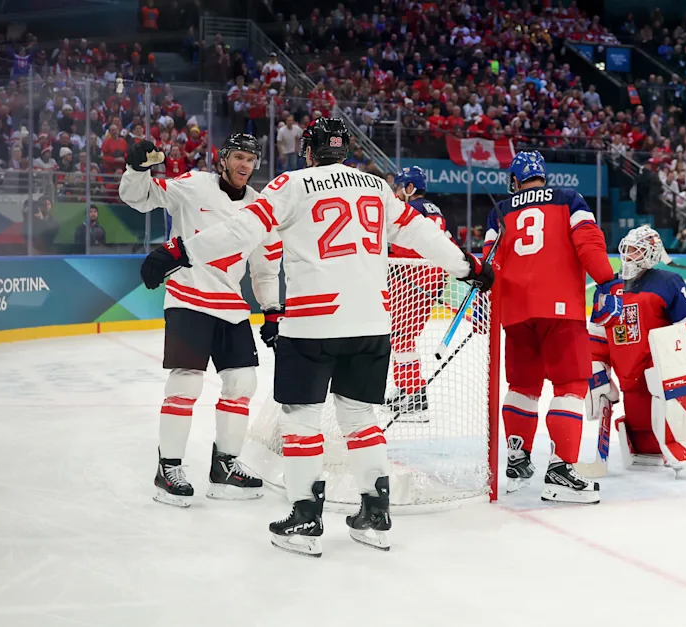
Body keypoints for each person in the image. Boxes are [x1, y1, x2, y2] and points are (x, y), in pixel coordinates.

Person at [139, 118, 492, 556]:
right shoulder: (376, 186)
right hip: (372, 323)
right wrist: (468, 266)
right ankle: (375, 513)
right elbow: (421, 234)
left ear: (308, 152)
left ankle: (306, 517)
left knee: (301, 420)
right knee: (361, 418)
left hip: (313, 323)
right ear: (342, 151)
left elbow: (239, 232)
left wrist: (180, 252)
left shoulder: (291, 184)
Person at [119, 133, 280, 508]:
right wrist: (135, 168)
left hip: (231, 305)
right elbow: (139, 197)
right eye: (239, 156)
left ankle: (224, 467)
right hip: (188, 297)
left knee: (242, 382)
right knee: (186, 384)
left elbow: (265, 268)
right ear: (222, 159)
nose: (245, 165)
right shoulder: (193, 185)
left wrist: (271, 310)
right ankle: (169, 467)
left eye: (251, 160)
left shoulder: (260, 209)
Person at [482, 150, 623, 504]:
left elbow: (488, 263)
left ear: (514, 181)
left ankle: (517, 459)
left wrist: (490, 305)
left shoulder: (500, 209)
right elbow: (588, 244)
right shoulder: (568, 199)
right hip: (559, 309)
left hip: (514, 310)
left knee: (522, 385)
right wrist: (607, 282)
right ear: (542, 176)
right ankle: (560, 470)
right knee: (571, 384)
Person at [588, 226, 686, 471]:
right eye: (627, 250)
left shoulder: (667, 282)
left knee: (672, 391)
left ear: (651, 255)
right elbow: (598, 336)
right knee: (643, 442)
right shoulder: (607, 289)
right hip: (628, 375)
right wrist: (598, 373)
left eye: (636, 251)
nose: (629, 257)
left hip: (661, 373)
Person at [384, 166, 449, 416]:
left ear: (410, 187)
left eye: (400, 187)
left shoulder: (411, 209)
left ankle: (413, 393)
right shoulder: (433, 208)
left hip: (412, 278)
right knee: (403, 337)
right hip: (429, 278)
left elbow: (403, 245)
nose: (397, 193)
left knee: (401, 337)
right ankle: (405, 389)